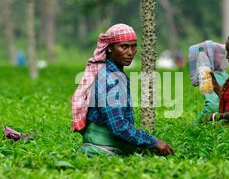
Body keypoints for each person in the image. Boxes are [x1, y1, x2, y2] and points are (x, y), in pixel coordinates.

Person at [71, 23, 174, 156]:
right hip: (102, 152)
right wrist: (153, 142)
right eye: (124, 46)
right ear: (109, 48)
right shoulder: (109, 80)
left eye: (133, 46)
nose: (130, 52)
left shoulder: (114, 75)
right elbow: (118, 126)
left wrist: (137, 143)